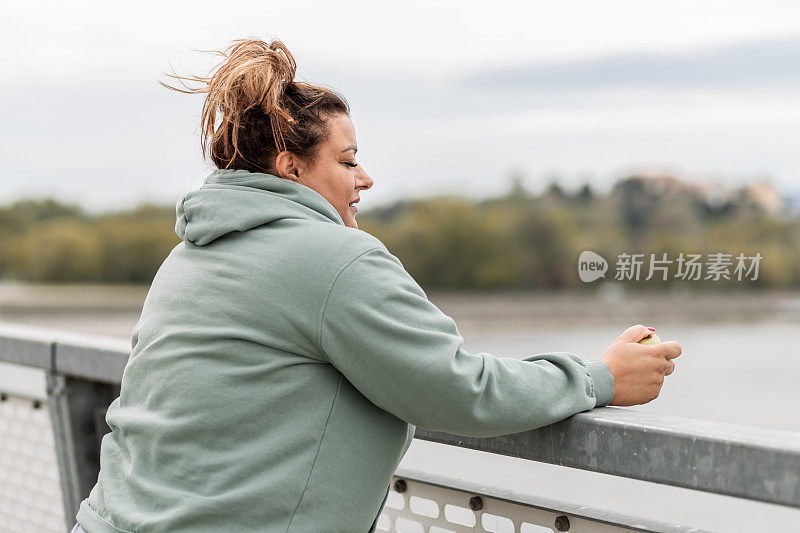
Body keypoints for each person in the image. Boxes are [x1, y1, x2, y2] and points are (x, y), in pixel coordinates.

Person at [73, 38, 682, 533]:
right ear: (291, 167)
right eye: (346, 160)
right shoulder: (332, 259)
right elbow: (457, 388)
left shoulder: (189, 255)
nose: (365, 177)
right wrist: (600, 378)